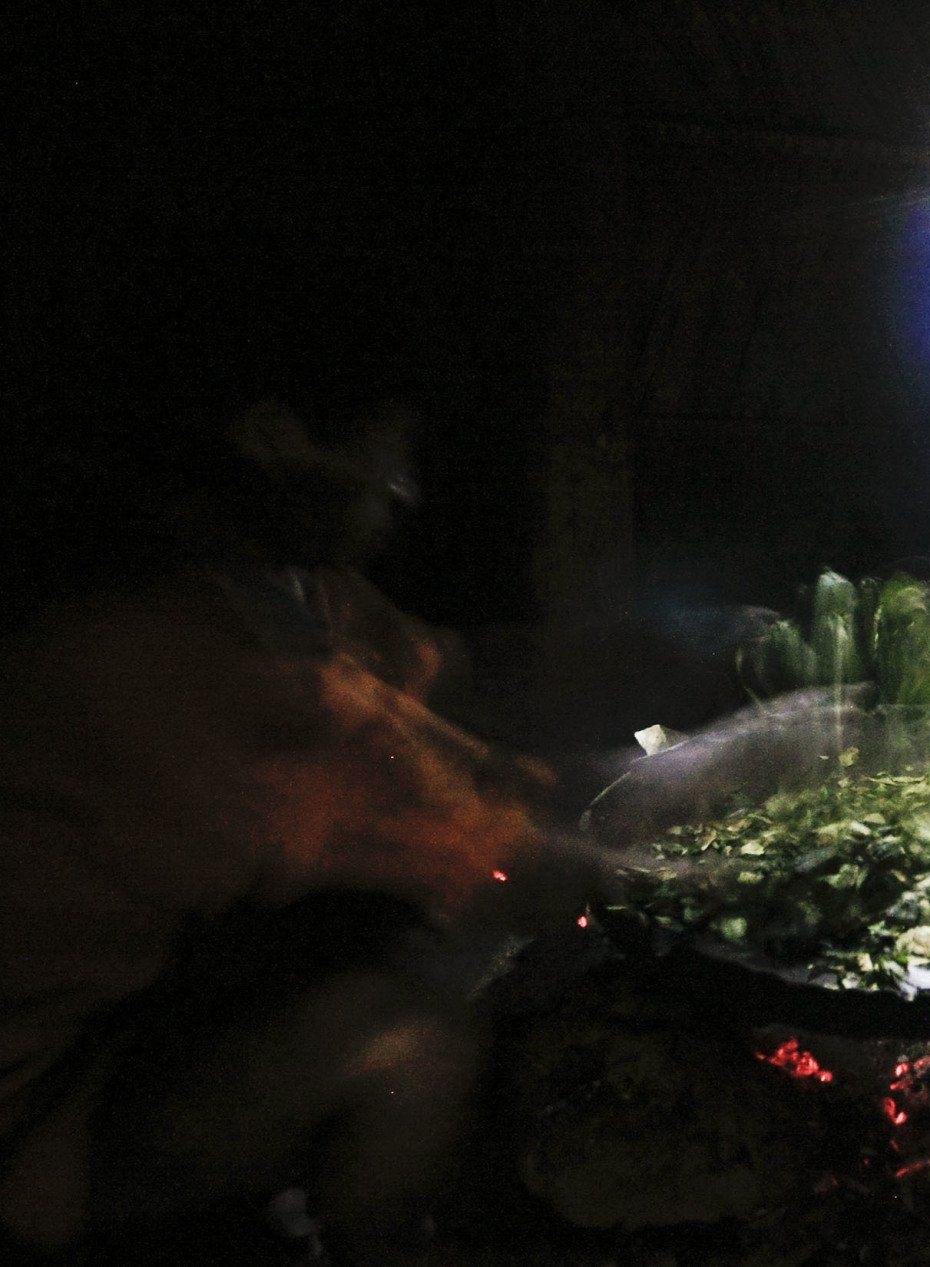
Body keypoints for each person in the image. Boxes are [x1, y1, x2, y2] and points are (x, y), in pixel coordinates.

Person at [0, 401, 623, 1263]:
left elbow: (447, 684)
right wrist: (688, 855)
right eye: (384, 447)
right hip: (33, 1115)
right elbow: (481, 844)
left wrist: (693, 649)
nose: (405, 488)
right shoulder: (173, 642)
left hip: (128, 1019)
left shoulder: (283, 587)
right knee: (416, 1043)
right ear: (271, 433)